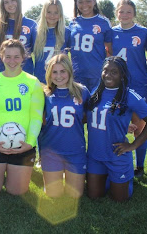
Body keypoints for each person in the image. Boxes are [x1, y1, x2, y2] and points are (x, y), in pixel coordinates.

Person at [86, 56, 147, 202]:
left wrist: (133, 145)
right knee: (94, 195)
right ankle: (108, 177)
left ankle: (125, 178)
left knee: (119, 199)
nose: (108, 75)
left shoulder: (129, 95)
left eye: (114, 72)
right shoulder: (96, 91)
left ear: (122, 75)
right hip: (95, 155)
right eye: (105, 71)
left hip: (116, 155)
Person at [0, 39, 44, 195]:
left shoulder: (33, 82)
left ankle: (10, 172)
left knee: (17, 191)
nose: (12, 61)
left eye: (16, 56)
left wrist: (29, 143)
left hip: (23, 145)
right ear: (1, 57)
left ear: (23, 58)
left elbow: (36, 116)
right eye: (8, 56)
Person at [111, 0, 147, 177]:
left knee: (139, 127)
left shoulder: (143, 32)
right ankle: (113, 159)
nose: (125, 15)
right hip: (116, 87)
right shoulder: (111, 32)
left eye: (129, 11)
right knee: (114, 125)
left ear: (134, 13)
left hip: (138, 85)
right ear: (117, 14)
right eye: (121, 11)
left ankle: (140, 166)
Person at [38, 54, 89, 198]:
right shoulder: (44, 93)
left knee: (75, 195)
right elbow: (39, 120)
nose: (59, 76)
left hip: (75, 150)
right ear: (49, 73)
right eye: (54, 72)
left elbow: (90, 116)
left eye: (63, 71)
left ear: (70, 72)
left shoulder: (82, 91)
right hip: (51, 152)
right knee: (54, 195)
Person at [69, 0, 112, 92]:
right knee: (79, 106)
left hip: (96, 73)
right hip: (77, 74)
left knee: (96, 105)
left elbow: (110, 50)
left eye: (88, 1)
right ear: (76, 3)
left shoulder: (103, 22)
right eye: (80, 2)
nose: (84, 5)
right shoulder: (73, 22)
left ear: (94, 1)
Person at [0, 0, 37, 75]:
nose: (10, 4)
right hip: (2, 70)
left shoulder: (31, 24)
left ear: (18, 1)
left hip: (25, 71)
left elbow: (34, 49)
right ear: (3, 5)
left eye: (13, 0)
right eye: (6, 2)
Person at [33, 0, 71, 84]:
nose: (52, 16)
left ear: (60, 14)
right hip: (40, 80)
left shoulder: (66, 32)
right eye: (49, 12)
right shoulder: (35, 32)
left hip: (60, 80)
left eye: (56, 12)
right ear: (44, 13)